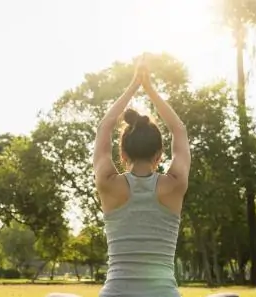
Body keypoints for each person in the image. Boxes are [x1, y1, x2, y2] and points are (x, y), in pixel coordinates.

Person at [92, 56, 190, 297]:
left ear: (123, 154)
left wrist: (134, 85)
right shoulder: (174, 185)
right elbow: (179, 129)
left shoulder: (108, 183)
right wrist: (149, 89)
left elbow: (105, 126)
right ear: (159, 154)